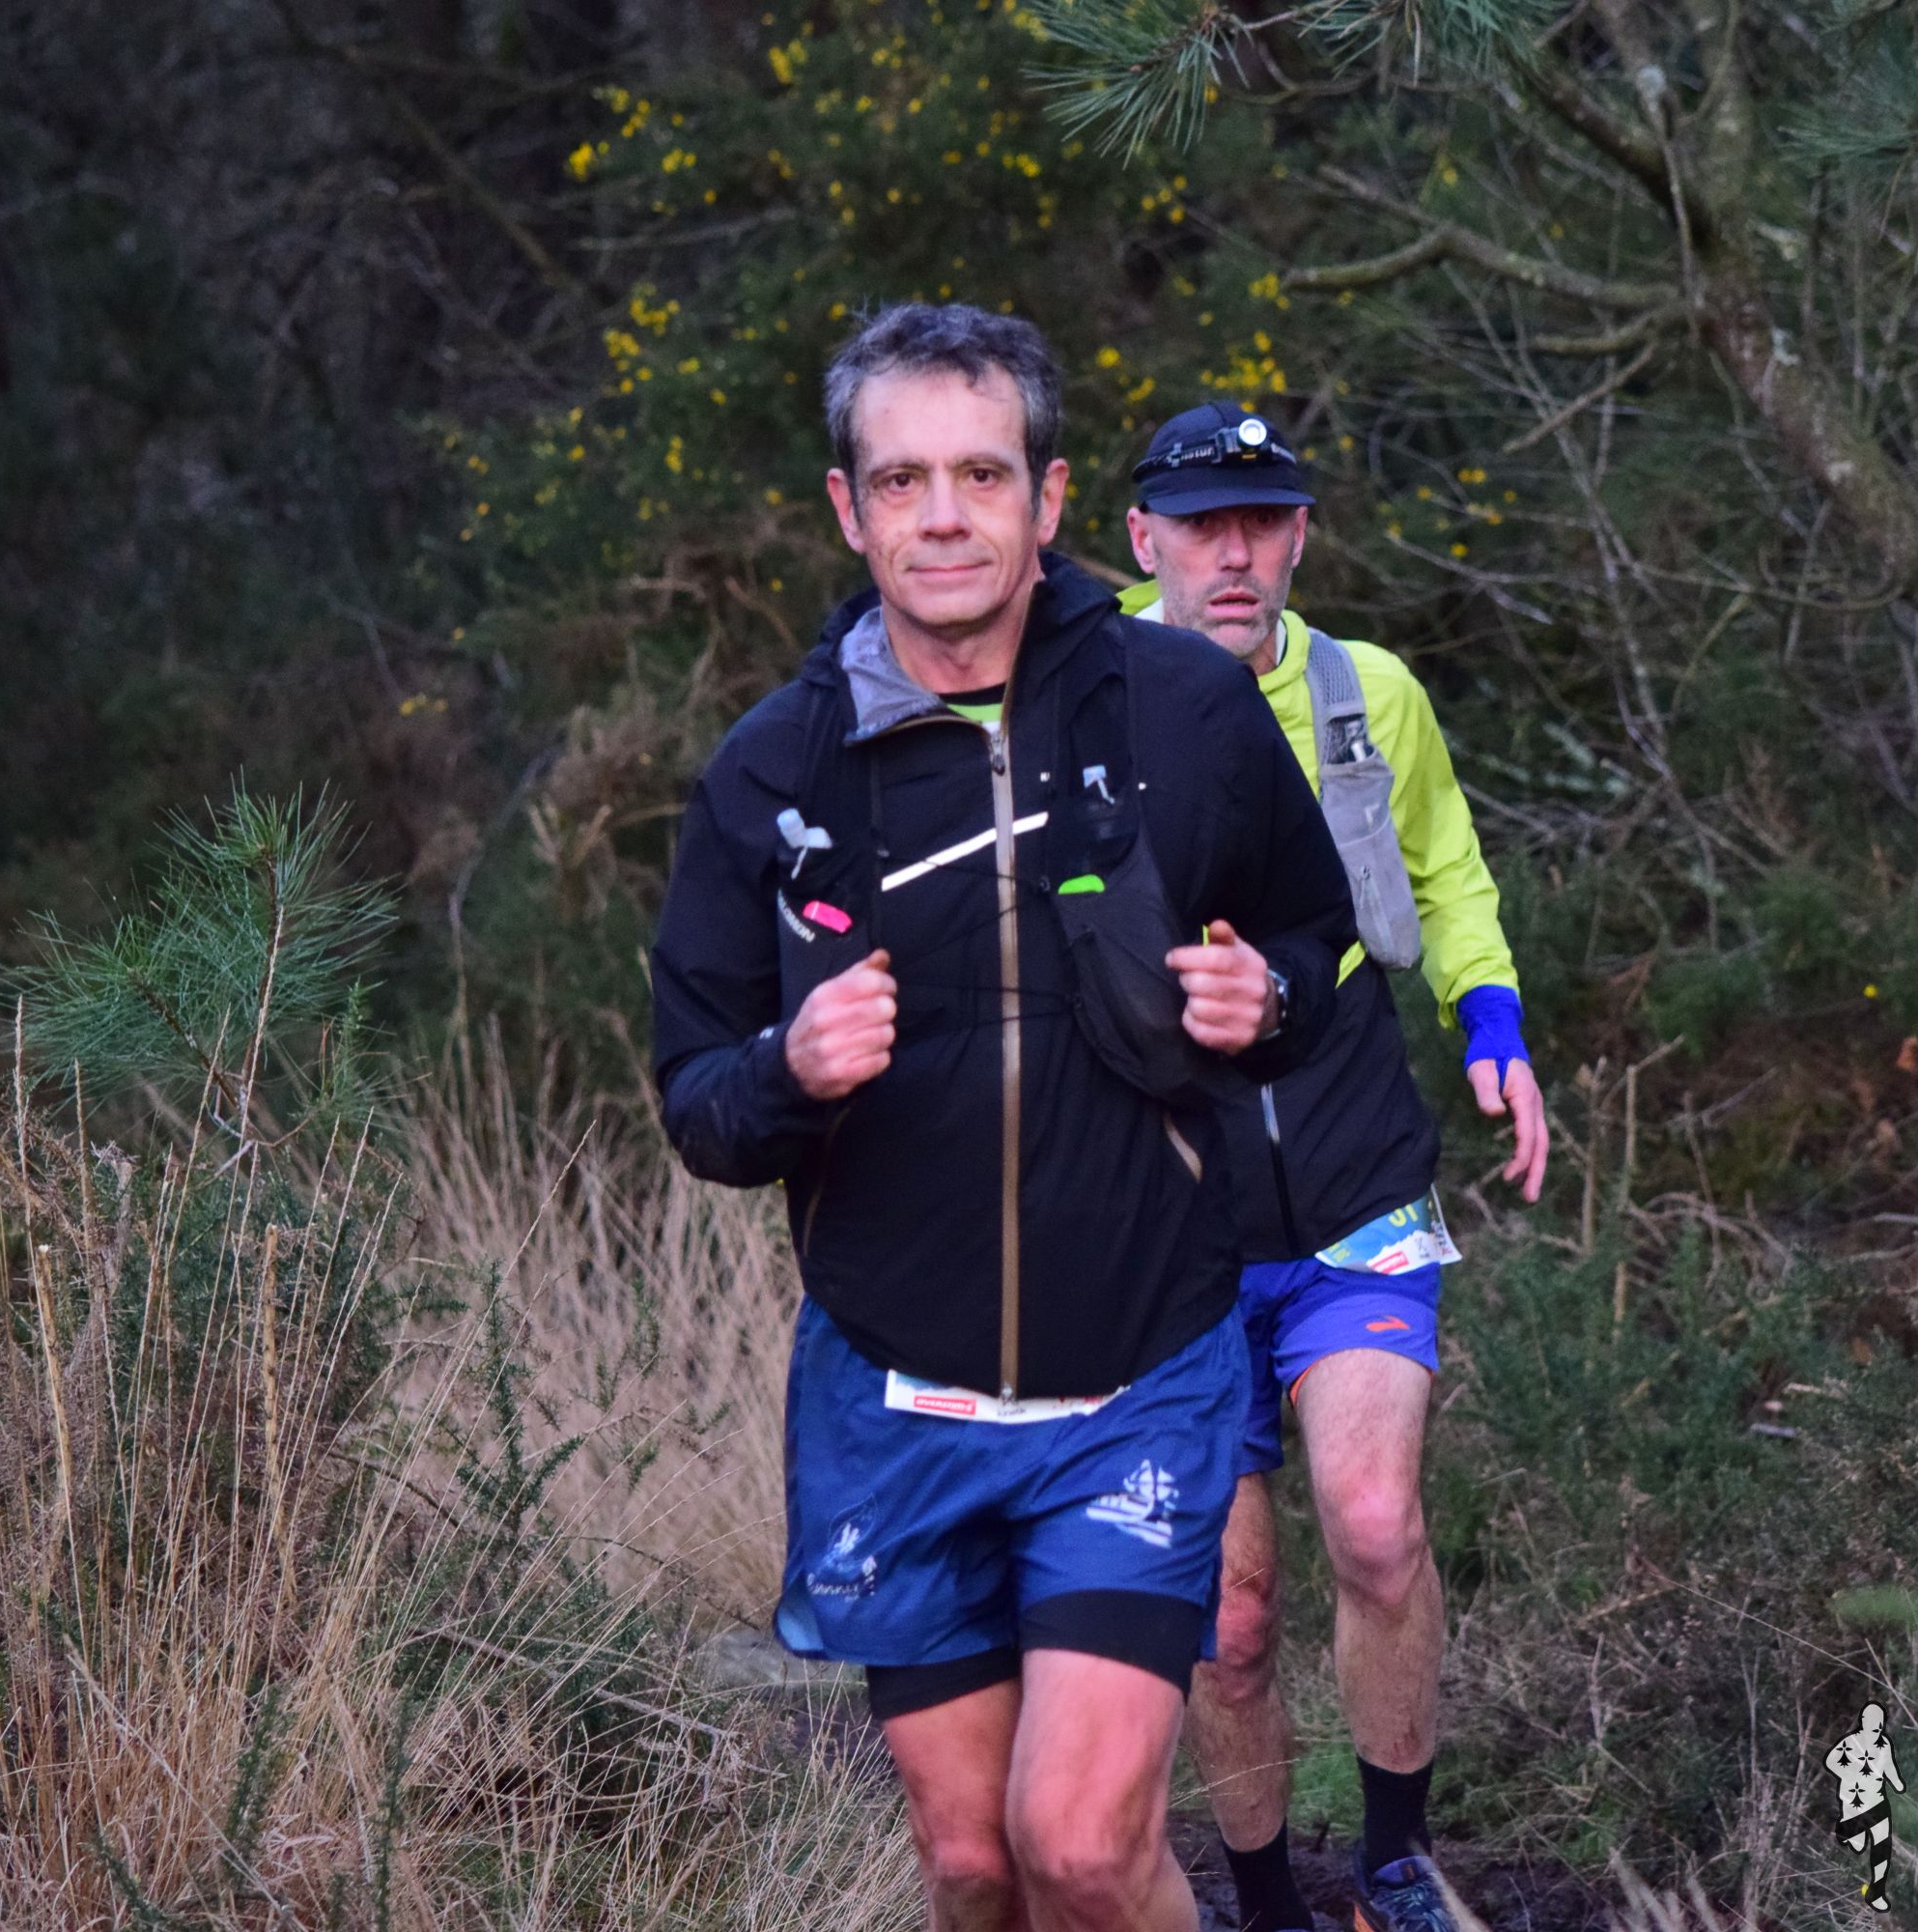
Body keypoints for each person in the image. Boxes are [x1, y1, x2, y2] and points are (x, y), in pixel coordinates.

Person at [650, 308, 1359, 1932]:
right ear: (851, 511)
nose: (945, 516)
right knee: (974, 1865)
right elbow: (699, 1104)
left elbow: (1315, 947)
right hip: (895, 1395)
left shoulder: (1185, 710)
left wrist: (1269, 1000)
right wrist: (791, 1067)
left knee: (1081, 1844)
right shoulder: (775, 775)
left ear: (1050, 499)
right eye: (903, 481)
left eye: (982, 474)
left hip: (1138, 1376)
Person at [1118, 401, 1549, 1932]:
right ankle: (1265, 1902)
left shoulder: (1372, 695)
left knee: (1374, 1526)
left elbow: (1446, 867)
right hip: (1167, 1224)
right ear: (1143, 540)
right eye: (1201, 527)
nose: (1232, 556)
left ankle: (1396, 1870)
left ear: (1300, 536)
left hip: (1356, 1175)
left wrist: (1490, 1017)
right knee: (1231, 1618)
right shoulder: (1078, 697)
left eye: (1262, 523)